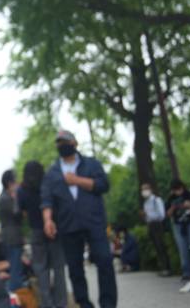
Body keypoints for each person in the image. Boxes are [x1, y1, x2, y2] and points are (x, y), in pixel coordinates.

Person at [41, 130, 117, 308]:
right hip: (68, 225)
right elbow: (46, 199)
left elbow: (103, 184)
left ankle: (108, 304)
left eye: (65, 141)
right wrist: (47, 220)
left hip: (94, 222)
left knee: (105, 261)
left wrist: (78, 180)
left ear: (74, 143)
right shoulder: (52, 172)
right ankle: (84, 304)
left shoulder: (91, 164)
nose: (62, 145)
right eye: (59, 143)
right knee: (75, 269)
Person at [17, 160, 67, 308]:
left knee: (41, 270)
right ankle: (61, 303)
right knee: (59, 268)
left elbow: (23, 212)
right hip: (53, 229)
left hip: (36, 232)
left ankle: (47, 304)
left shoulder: (22, 190)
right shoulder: (48, 185)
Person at [166, 179, 190, 282]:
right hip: (178, 226)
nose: (177, 192)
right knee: (183, 250)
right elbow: (167, 214)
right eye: (174, 190)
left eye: (178, 189)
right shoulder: (171, 198)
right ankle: (187, 273)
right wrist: (173, 208)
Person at [0, 169, 26, 293]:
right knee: (15, 270)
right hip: (11, 238)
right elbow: (18, 213)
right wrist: (17, 198)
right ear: (10, 183)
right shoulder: (5, 198)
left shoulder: (5, 197)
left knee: (16, 268)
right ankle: (15, 298)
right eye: (15, 181)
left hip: (12, 237)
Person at [140, 183, 171, 276]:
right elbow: (147, 218)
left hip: (158, 225)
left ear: (150, 189)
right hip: (150, 225)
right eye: (142, 189)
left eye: (145, 189)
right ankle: (162, 267)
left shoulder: (156, 200)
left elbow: (162, 215)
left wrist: (149, 215)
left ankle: (167, 268)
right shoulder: (146, 203)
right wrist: (144, 216)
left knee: (161, 246)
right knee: (157, 247)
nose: (144, 191)